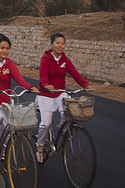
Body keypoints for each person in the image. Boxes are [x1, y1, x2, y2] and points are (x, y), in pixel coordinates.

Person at [36, 33, 93, 162]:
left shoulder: (65, 60)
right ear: (51, 45)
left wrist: (85, 85)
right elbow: (43, 75)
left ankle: (64, 130)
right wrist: (46, 85)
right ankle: (39, 146)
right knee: (45, 123)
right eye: (57, 43)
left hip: (60, 92)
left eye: (62, 43)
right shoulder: (45, 58)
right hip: (45, 94)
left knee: (69, 113)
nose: (60, 45)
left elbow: (75, 73)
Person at [0, 33, 38, 146]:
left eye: (7, 48)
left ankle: (4, 154)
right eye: (2, 48)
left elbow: (19, 79)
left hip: (5, 100)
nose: (4, 51)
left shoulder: (9, 63)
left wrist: (30, 88)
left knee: (8, 129)